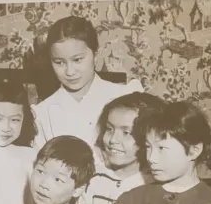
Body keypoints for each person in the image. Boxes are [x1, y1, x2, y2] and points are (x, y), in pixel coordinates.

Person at [32, 16, 143, 151]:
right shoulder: (42, 113)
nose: (70, 71)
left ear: (95, 55)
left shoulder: (124, 96)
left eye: (78, 60)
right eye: (59, 62)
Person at [78, 92, 165, 204]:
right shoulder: (94, 177)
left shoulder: (154, 185)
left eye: (126, 133)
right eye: (109, 129)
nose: (113, 139)